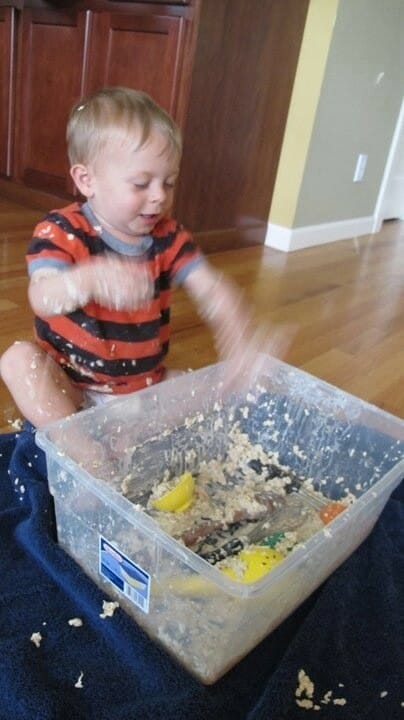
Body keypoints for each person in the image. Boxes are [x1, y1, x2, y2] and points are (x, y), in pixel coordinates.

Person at [0, 86, 284, 431]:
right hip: (69, 383)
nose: (158, 197)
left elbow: (212, 289)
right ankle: (76, 444)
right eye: (140, 184)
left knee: (207, 389)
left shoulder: (168, 238)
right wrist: (87, 280)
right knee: (18, 362)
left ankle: (121, 435)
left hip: (139, 390)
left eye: (169, 183)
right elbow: (42, 297)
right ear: (87, 180)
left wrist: (241, 340)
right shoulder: (61, 231)